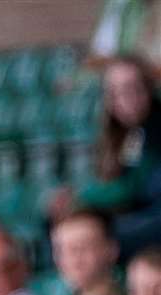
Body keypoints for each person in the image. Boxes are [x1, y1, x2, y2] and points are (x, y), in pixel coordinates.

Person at [52, 56, 161, 258]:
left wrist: (81, 197)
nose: (126, 98)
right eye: (116, 92)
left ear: (149, 89)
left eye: (133, 88)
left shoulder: (155, 128)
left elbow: (130, 188)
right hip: (140, 217)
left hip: (154, 219)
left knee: (95, 243)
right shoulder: (125, 135)